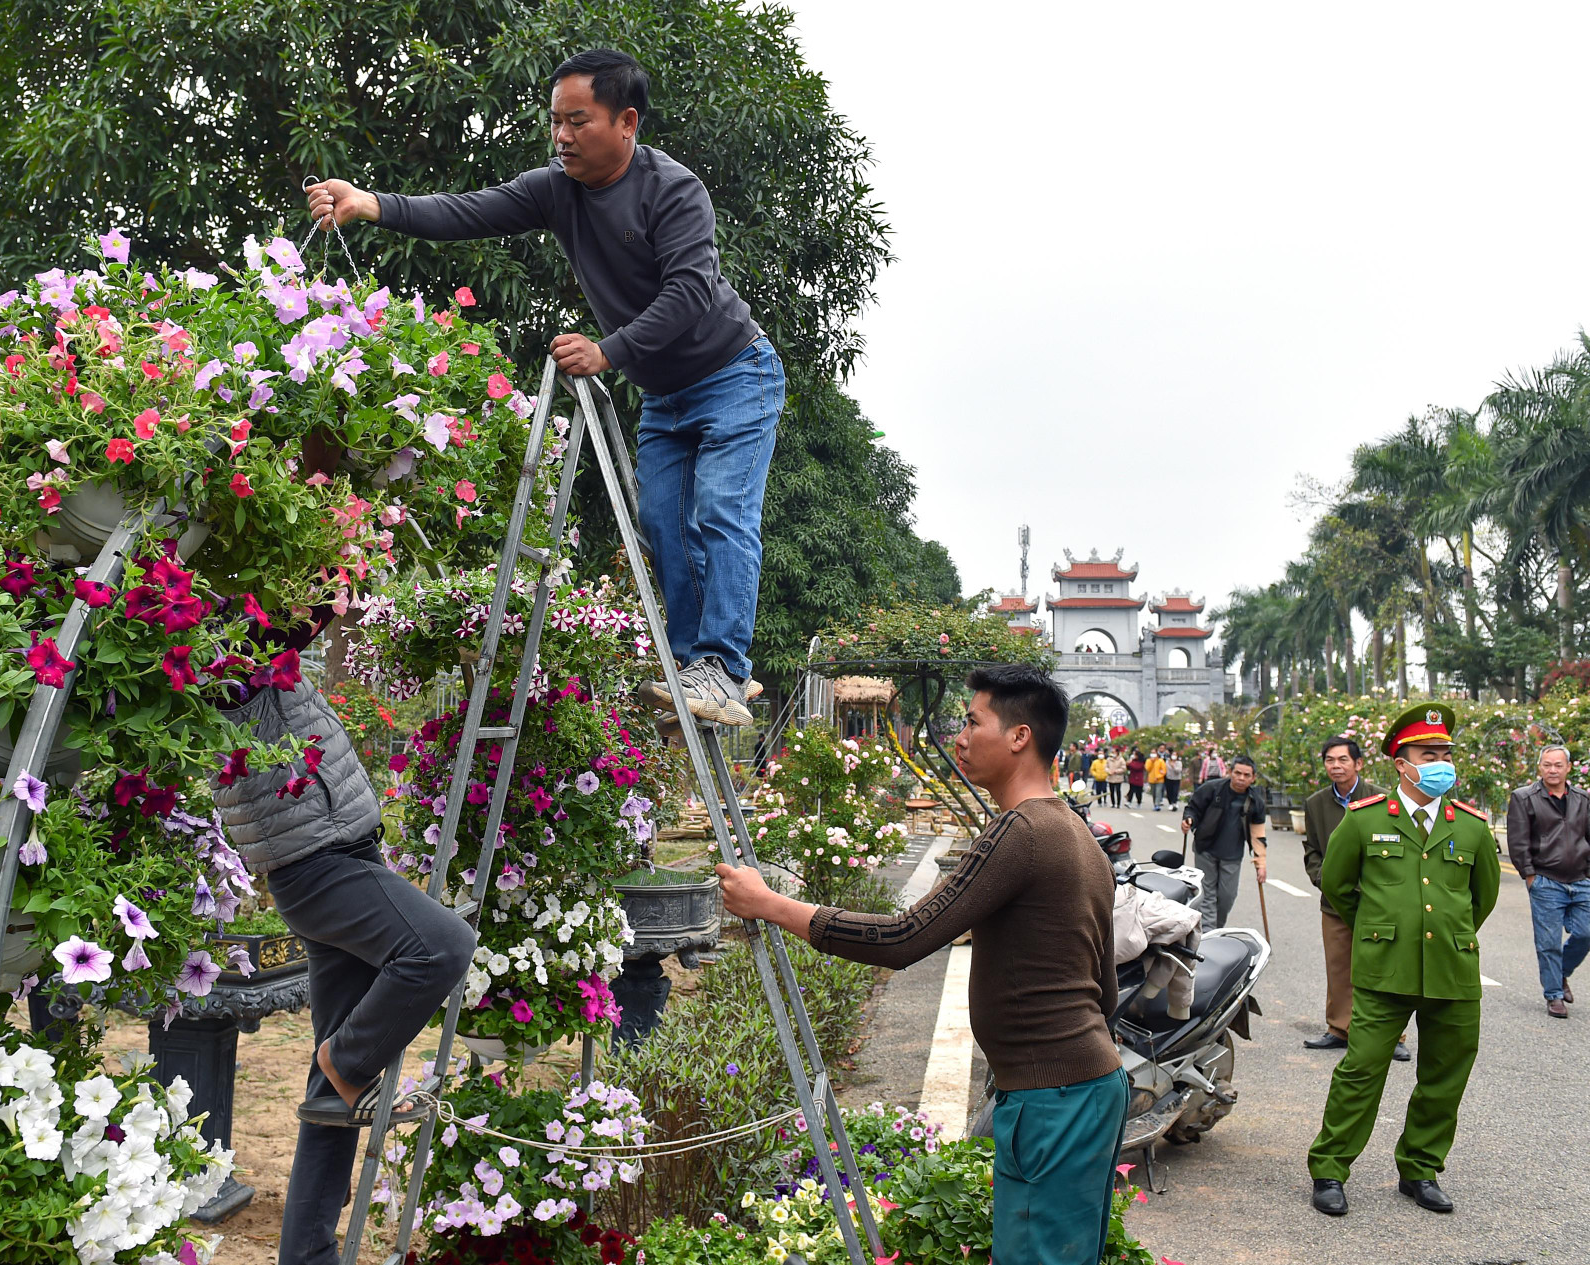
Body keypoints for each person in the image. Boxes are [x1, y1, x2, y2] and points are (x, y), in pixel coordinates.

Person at [306, 48, 774, 728]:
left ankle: (724, 668)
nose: (561, 136)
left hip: (734, 374)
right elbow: (468, 212)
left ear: (626, 122)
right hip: (666, 393)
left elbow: (691, 291)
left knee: (722, 510)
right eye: (555, 121)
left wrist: (608, 349)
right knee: (663, 525)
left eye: (577, 120)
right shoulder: (557, 189)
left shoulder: (673, 190)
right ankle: (692, 670)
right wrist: (371, 203)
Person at [716, 664, 1123, 1265]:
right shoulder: (1073, 832)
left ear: (1019, 737)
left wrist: (771, 904)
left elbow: (904, 938)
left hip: (1054, 1098)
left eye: (973, 720)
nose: (960, 736)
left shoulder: (1024, 832)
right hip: (1072, 1088)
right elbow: (1104, 989)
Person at [215, 651, 478, 1265]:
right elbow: (277, 628)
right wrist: (335, 576)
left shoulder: (262, 666)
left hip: (339, 855)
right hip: (319, 865)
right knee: (442, 945)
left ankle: (307, 1256)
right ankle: (348, 1058)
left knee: (330, 1100)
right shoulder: (229, 666)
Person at [1307, 703, 1501, 1218]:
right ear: (1401, 762)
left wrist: (1444, 937)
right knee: (1362, 1070)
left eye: (1445, 753)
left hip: (1452, 971)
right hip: (1384, 971)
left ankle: (1419, 1168)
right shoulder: (1366, 820)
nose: (1440, 761)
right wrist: (1380, 930)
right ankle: (1329, 1168)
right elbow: (1338, 884)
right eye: (1427, 753)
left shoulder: (1473, 828)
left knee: (1444, 1075)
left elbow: (1482, 899)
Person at [1300, 736, 1410, 1061]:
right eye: (1330, 760)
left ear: (1358, 763)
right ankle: (1339, 1029)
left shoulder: (1382, 799)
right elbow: (1312, 851)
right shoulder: (1315, 804)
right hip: (1335, 903)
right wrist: (1325, 881)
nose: (1336, 766)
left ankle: (1394, 1036)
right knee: (1338, 968)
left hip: (1379, 903)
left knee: (1385, 968)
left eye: (1343, 760)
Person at [1506, 743, 1590, 1018]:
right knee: (1549, 942)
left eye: (1558, 765)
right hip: (1546, 880)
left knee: (1585, 933)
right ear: (1539, 767)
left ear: (1568, 768)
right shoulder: (1524, 797)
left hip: (1581, 879)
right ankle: (1554, 995)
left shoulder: (1582, 798)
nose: (1552, 770)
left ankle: (1561, 973)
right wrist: (1530, 876)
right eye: (1547, 765)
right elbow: (1518, 841)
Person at [1179, 755, 1269, 932]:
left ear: (1253, 778)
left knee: (1227, 897)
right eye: (1237, 773)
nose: (1241, 778)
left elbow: (1258, 834)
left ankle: (1215, 930)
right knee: (1208, 895)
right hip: (1206, 849)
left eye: (1246, 775)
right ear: (1229, 772)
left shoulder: (1255, 801)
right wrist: (1188, 820)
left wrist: (1261, 863)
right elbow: (1193, 808)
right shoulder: (1212, 789)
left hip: (1232, 854)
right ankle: (1208, 934)